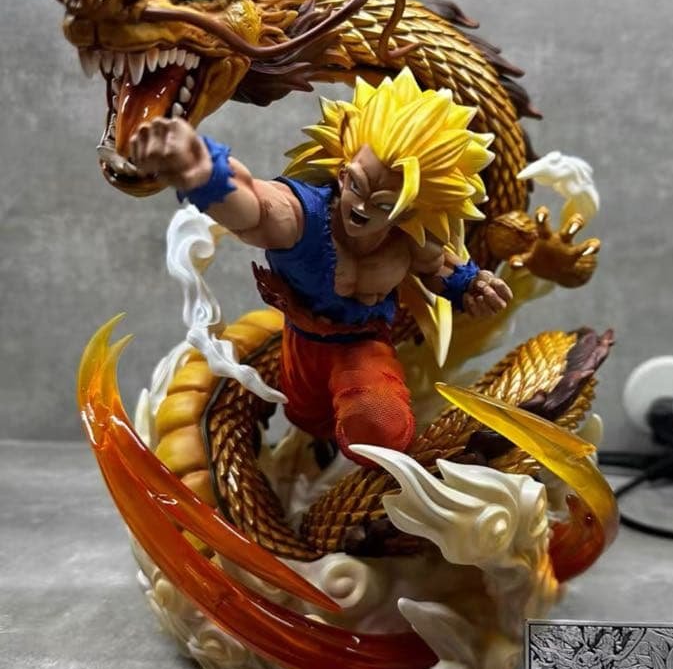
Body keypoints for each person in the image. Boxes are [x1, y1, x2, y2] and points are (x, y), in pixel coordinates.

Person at [130, 68, 512, 463]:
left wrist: (471, 285)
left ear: (408, 209)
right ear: (343, 172)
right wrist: (204, 170)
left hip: (362, 345)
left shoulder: (411, 239)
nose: (361, 207)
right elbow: (255, 207)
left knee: (378, 430)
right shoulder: (305, 217)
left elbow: (440, 268)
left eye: (383, 204)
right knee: (306, 419)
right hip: (301, 344)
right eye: (356, 185)